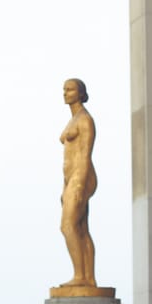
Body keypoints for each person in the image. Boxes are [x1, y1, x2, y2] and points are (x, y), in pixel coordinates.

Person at [57, 78, 98, 288]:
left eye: (70, 89)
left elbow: (84, 155)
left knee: (67, 226)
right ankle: (88, 278)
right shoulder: (73, 119)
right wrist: (65, 186)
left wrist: (79, 184)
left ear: (80, 93)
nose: (65, 93)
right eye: (64, 89)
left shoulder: (84, 120)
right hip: (71, 178)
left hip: (81, 176)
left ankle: (80, 275)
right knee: (81, 228)